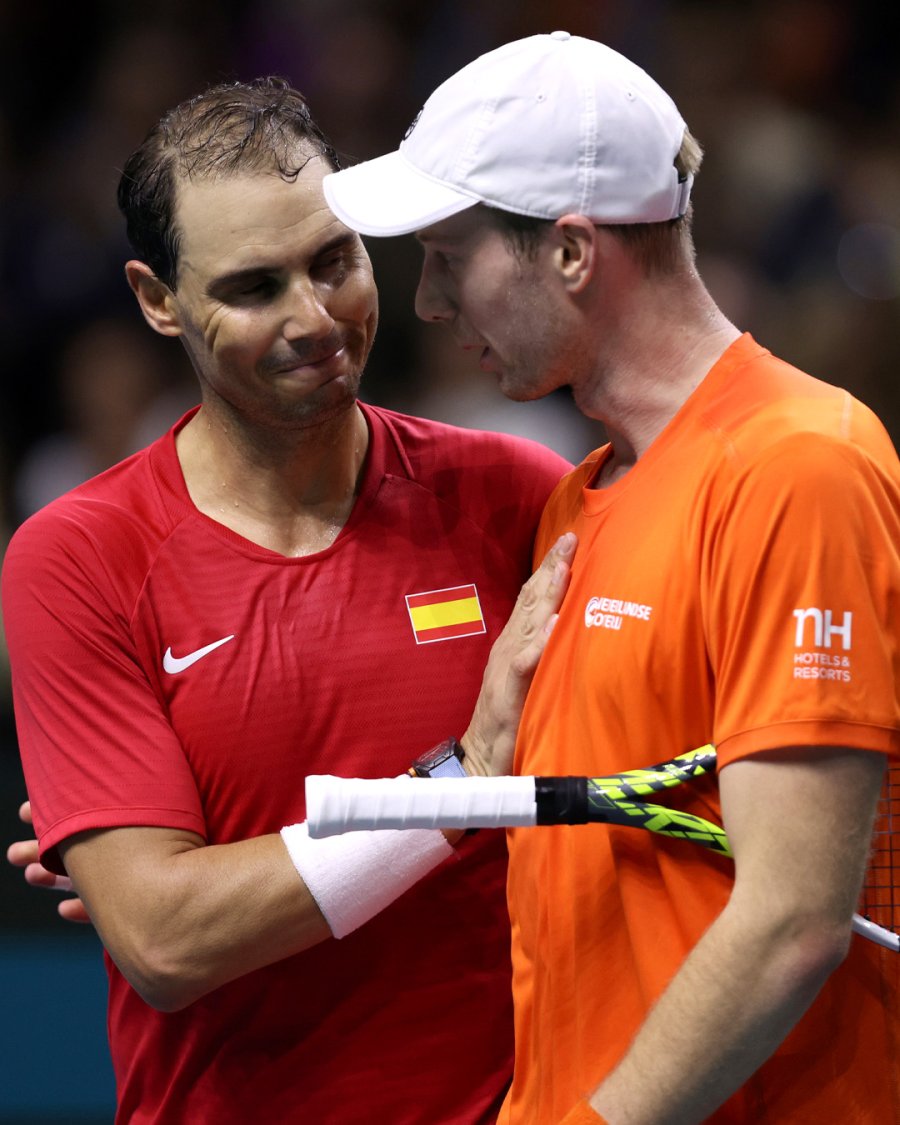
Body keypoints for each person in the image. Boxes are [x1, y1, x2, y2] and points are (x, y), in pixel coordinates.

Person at [321, 31, 900, 1124]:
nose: (431, 305)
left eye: (450, 256)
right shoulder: (574, 497)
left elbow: (794, 919)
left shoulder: (800, 463)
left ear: (573, 254)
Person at [2, 77, 577, 1125]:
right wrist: (463, 782)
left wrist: (223, 880)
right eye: (255, 287)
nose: (315, 320)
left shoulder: (519, 497)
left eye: (334, 263)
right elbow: (169, 943)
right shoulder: (76, 560)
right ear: (157, 298)